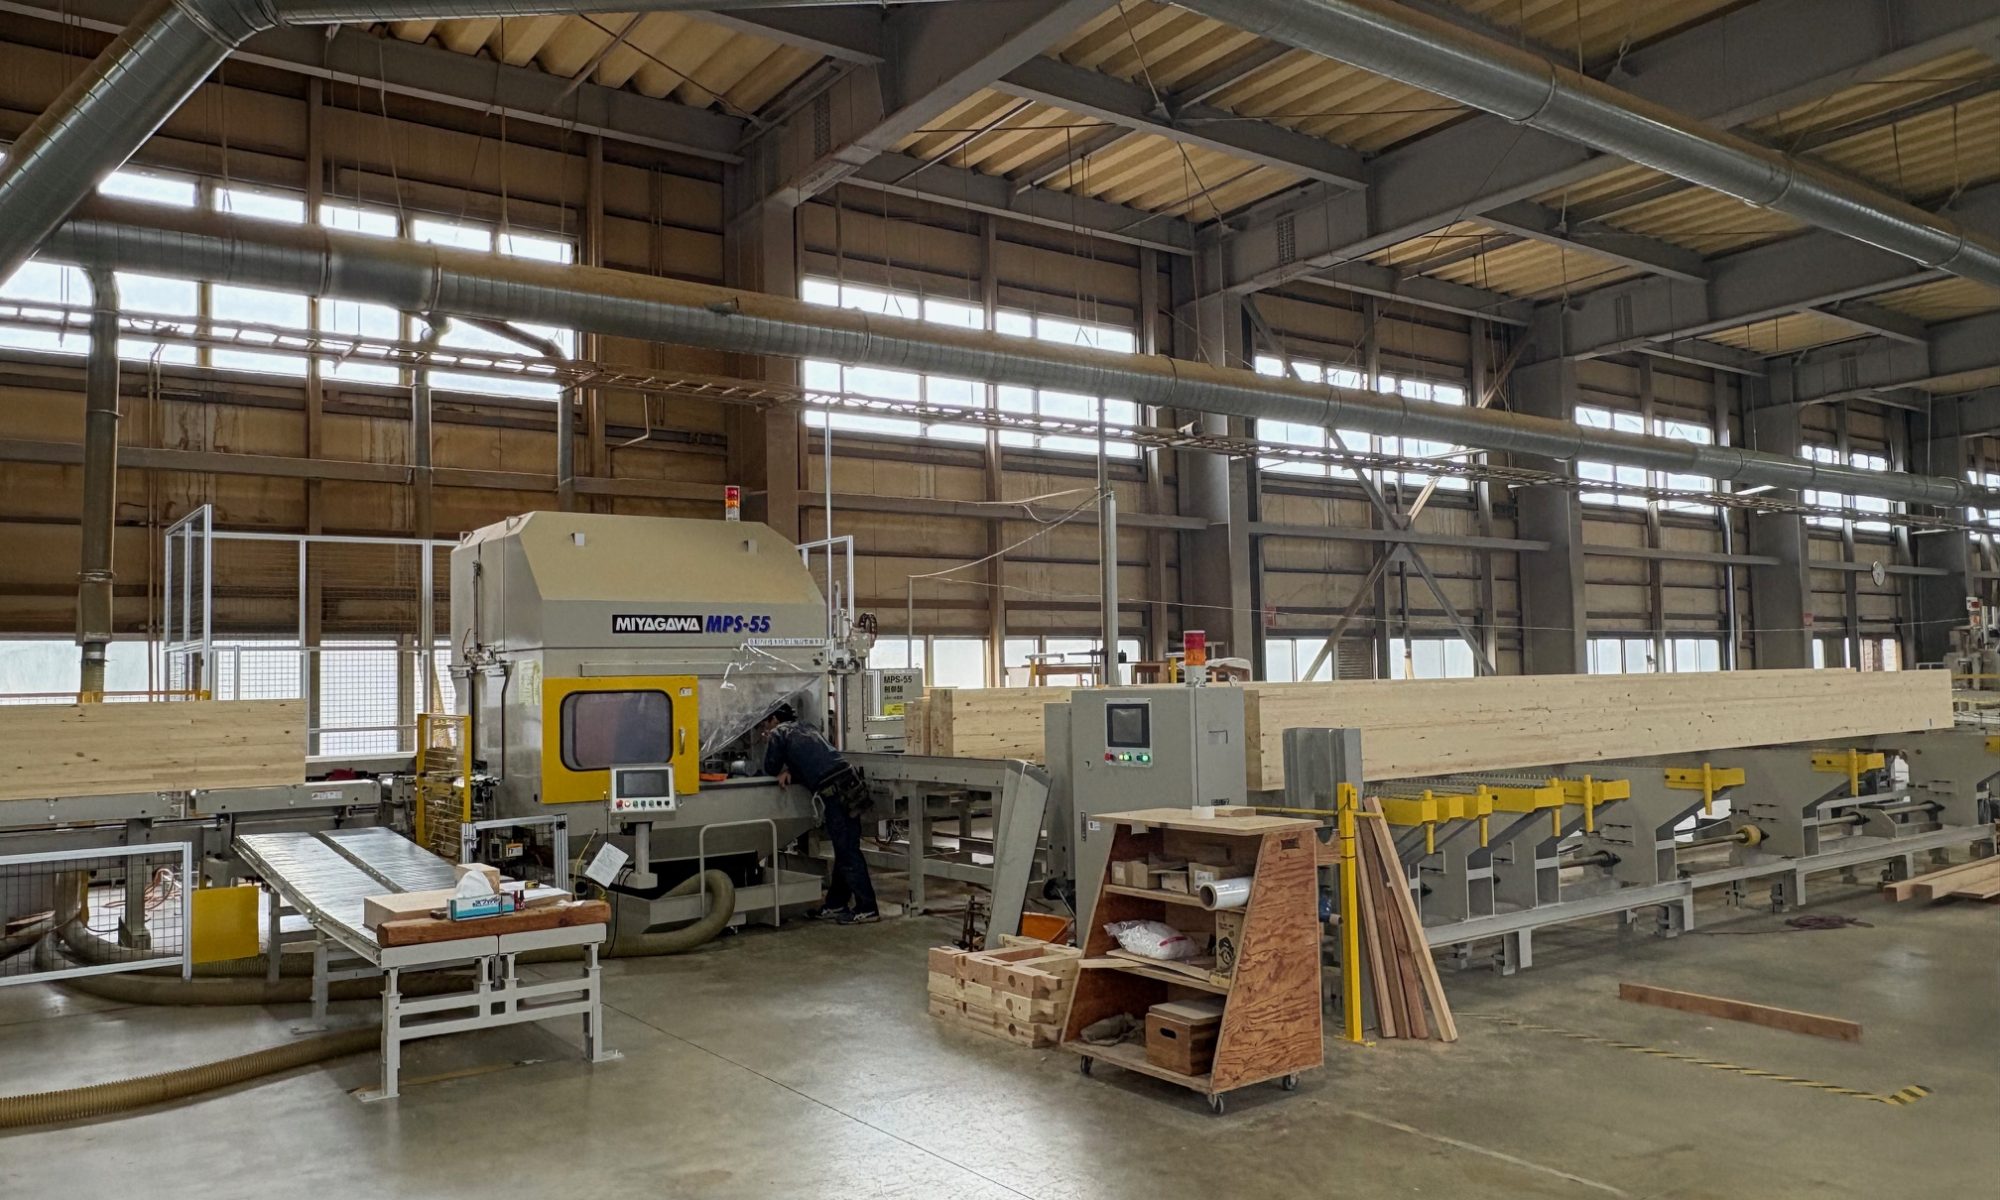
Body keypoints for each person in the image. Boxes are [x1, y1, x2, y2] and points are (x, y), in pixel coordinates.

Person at [758, 702, 878, 925]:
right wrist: (792, 770)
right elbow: (812, 759)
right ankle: (836, 903)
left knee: (848, 852)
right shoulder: (807, 727)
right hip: (851, 786)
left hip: (836, 795)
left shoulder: (779, 732)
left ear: (774, 719)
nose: (765, 727)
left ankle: (868, 907)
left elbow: (770, 767)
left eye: (765, 723)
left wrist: (773, 749)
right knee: (845, 850)